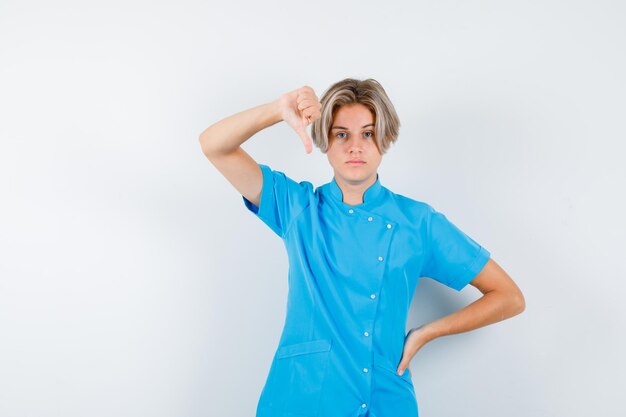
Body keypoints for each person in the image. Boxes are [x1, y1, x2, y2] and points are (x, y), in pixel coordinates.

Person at [199, 78, 525, 417]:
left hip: (385, 399)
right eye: (342, 134)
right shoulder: (298, 209)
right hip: (303, 397)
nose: (355, 146)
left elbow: (508, 297)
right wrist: (278, 109)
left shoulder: (418, 223)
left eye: (367, 134)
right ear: (325, 140)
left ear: (384, 139)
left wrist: (427, 332)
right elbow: (213, 146)